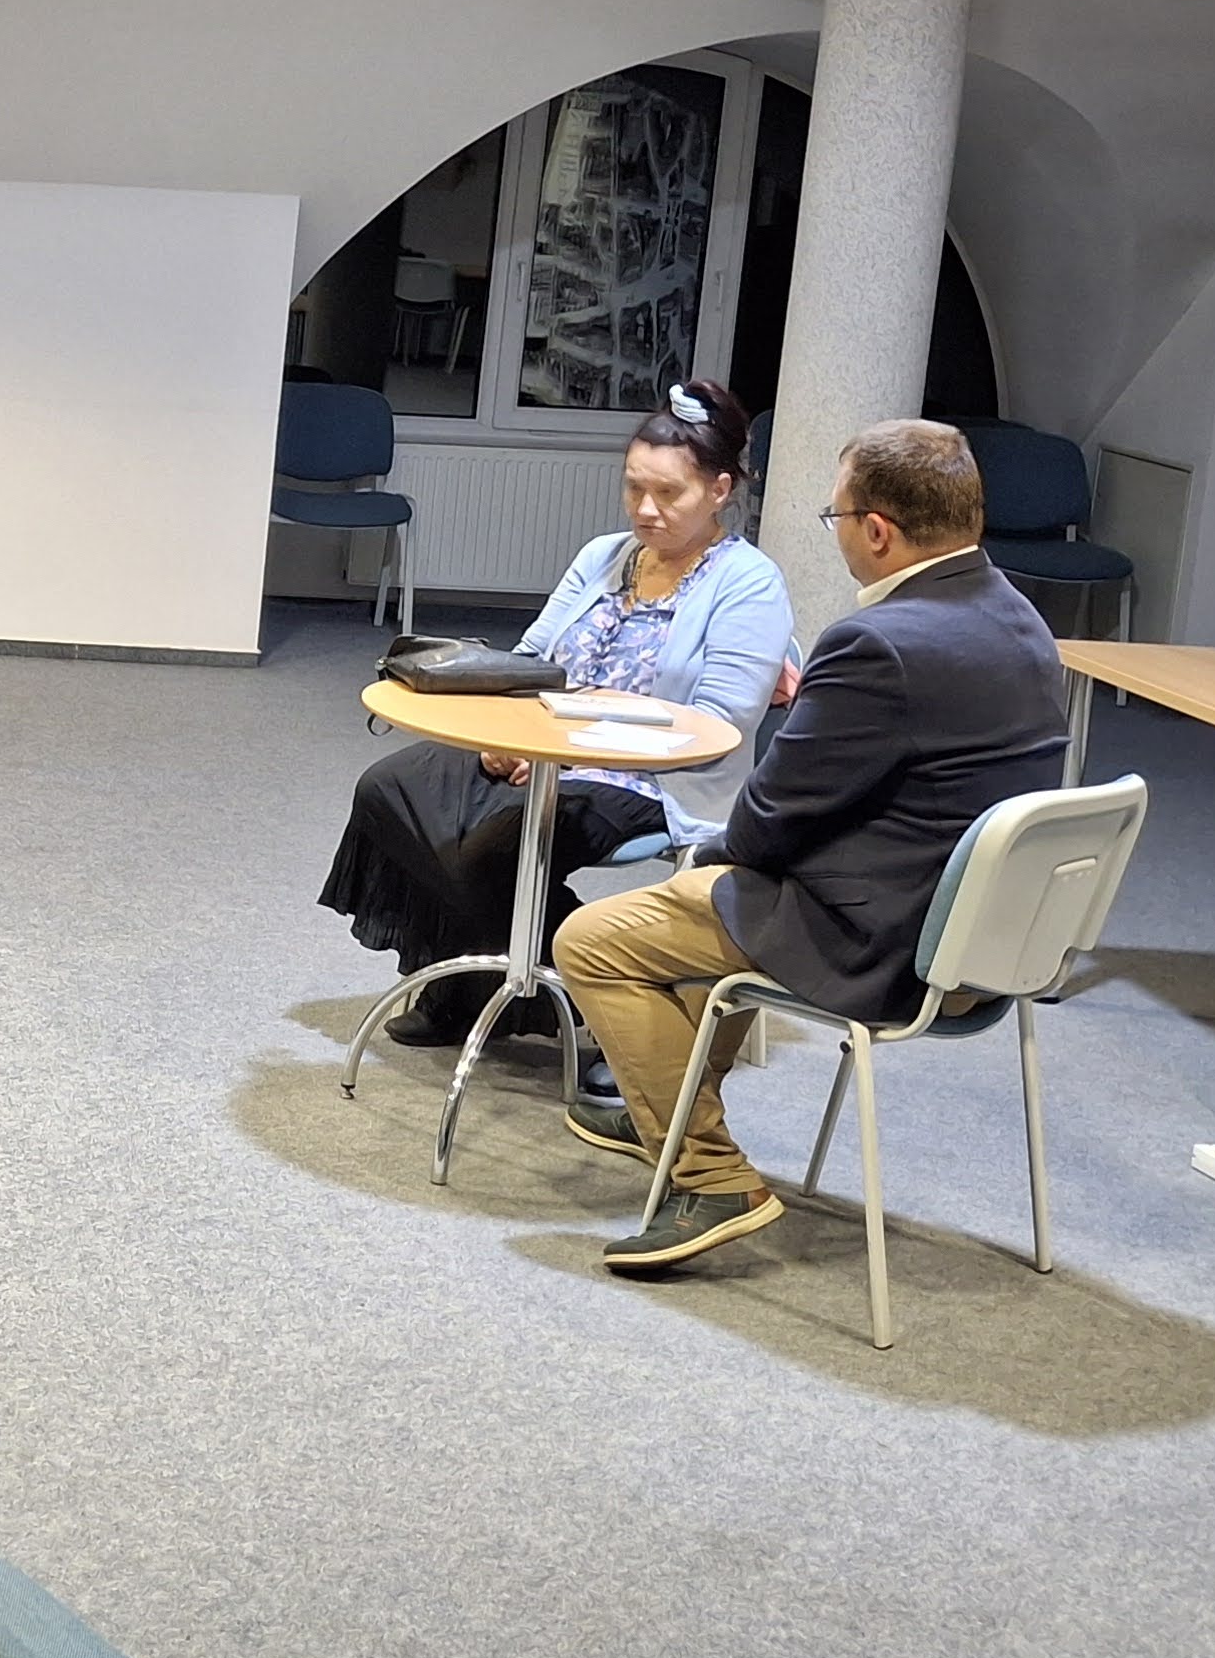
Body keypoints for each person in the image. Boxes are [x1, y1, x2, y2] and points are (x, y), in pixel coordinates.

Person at [552, 418, 1070, 1274]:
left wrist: (710, 856)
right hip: (987, 943)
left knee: (596, 940)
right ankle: (665, 1111)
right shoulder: (1021, 618)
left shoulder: (878, 643)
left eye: (837, 517)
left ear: (878, 531)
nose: (837, 534)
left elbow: (768, 818)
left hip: (880, 944)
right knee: (703, 900)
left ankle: (709, 1174)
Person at [322, 379, 794, 1045]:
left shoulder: (749, 583)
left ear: (719, 490)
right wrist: (504, 737)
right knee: (389, 789)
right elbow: (528, 662)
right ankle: (491, 990)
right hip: (543, 748)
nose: (646, 509)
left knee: (494, 849)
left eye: (669, 493)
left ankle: (603, 1012)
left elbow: (721, 720)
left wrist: (568, 748)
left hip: (650, 777)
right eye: (634, 488)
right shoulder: (603, 557)